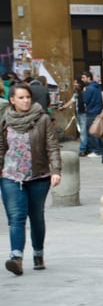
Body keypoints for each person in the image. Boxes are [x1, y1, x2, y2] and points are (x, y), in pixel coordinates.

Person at [0, 83, 62, 275]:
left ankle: (38, 253)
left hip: (38, 176)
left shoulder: (42, 119)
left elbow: (52, 146)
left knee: (36, 217)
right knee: (16, 218)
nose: (26, 100)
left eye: (28, 97)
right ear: (12, 100)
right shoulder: (5, 119)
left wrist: (56, 170)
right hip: (10, 176)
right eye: (21, 97)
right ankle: (16, 258)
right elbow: (1, 147)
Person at [82, 74, 103, 157]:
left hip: (91, 112)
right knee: (98, 131)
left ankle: (95, 151)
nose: (82, 79)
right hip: (98, 111)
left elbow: (85, 100)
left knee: (91, 132)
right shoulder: (97, 87)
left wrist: (84, 92)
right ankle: (100, 150)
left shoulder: (88, 88)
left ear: (89, 78)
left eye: (83, 77)